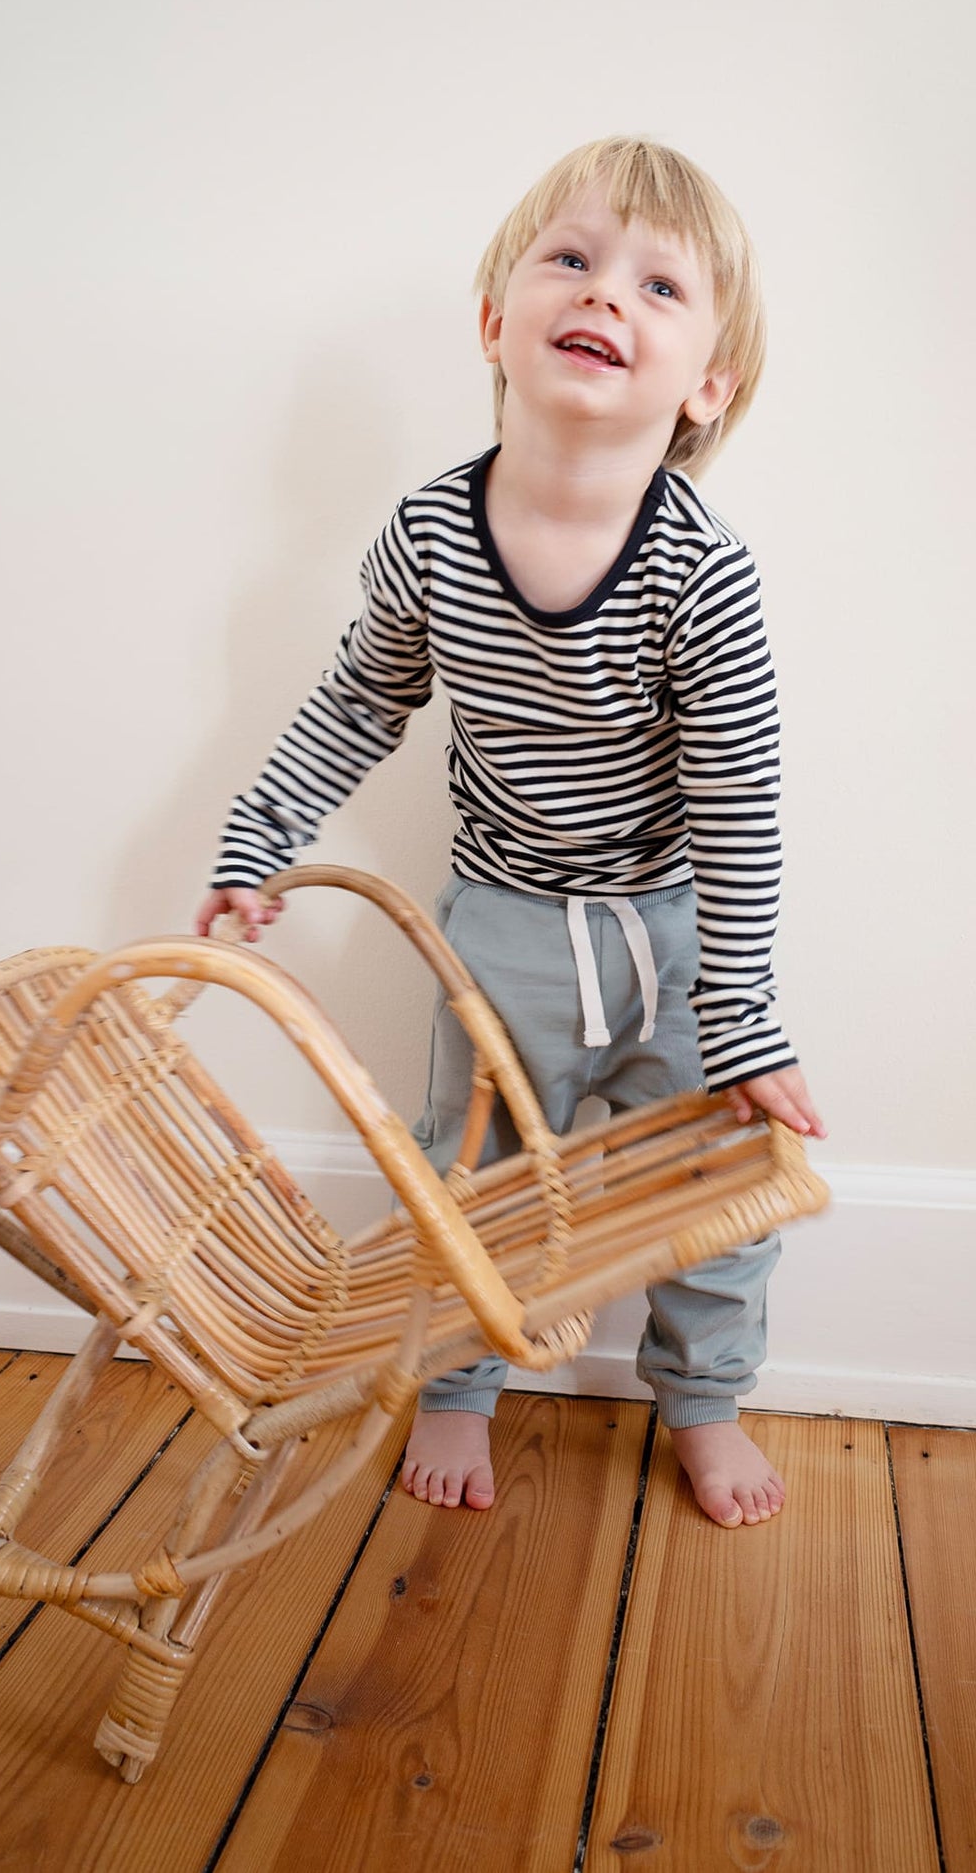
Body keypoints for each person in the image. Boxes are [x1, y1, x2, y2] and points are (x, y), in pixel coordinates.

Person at [195, 137, 826, 1529]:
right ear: (495, 322)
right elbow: (360, 700)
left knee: (712, 1178)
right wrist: (259, 837)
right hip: (500, 924)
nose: (604, 293)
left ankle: (706, 1399)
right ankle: (458, 1385)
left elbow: (740, 805)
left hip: (671, 930)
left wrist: (741, 1014)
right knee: (469, 1175)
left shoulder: (700, 573)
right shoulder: (429, 535)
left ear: (707, 384)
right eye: (573, 260)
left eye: (660, 286)